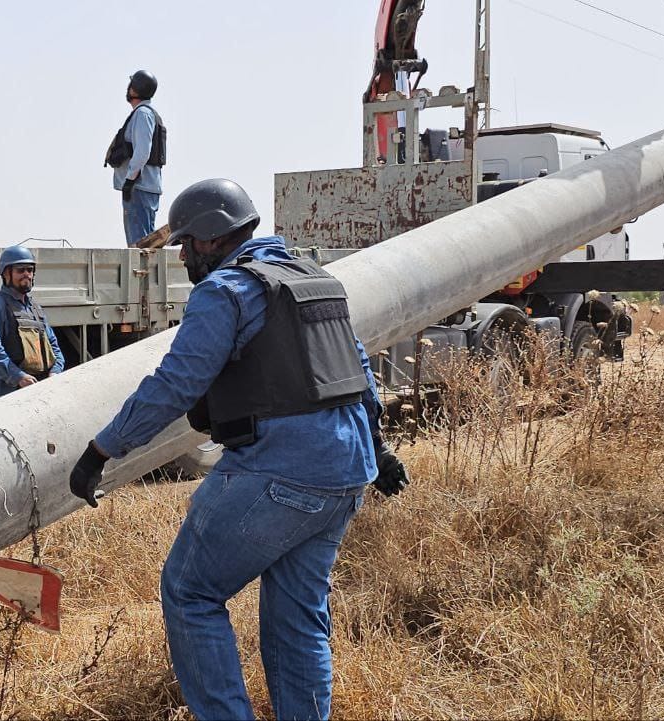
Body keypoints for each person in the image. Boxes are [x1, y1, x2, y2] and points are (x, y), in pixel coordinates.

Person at [67, 179, 410, 721]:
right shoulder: (316, 280)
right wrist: (380, 448)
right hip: (346, 474)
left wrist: (101, 451)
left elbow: (175, 384)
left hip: (280, 473)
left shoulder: (225, 291)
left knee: (190, 592)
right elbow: (357, 370)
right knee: (297, 621)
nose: (182, 256)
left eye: (186, 243)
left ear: (211, 236)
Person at [0, 244, 65, 399]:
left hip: (39, 390)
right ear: (6, 274)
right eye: (20, 270)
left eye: (29, 270)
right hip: (7, 392)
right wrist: (18, 376)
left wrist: (55, 372)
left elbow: (53, 346)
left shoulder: (35, 308)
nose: (27, 274)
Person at [104, 69, 166, 246]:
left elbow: (142, 152)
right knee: (146, 244)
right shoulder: (147, 113)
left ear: (136, 88)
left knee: (138, 247)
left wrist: (130, 180)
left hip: (139, 187)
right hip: (145, 186)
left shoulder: (142, 114)